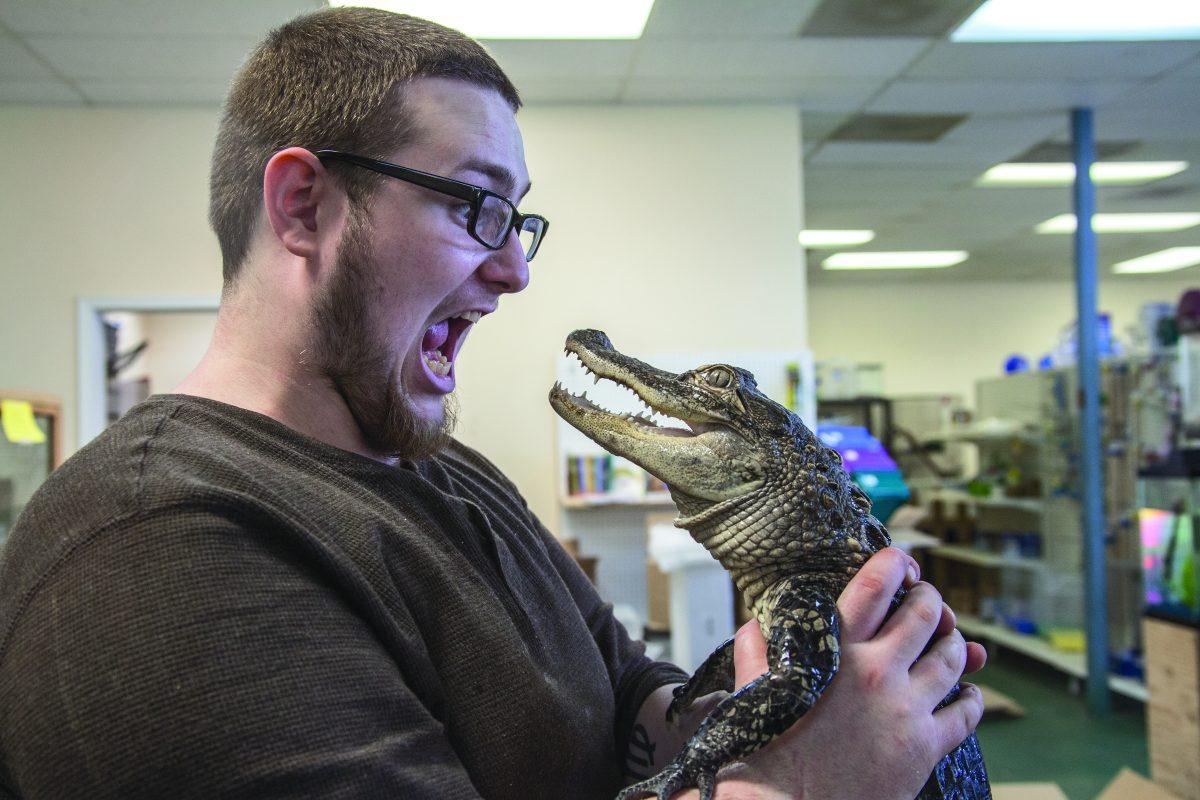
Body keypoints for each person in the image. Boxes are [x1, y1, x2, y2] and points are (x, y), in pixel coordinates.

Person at [0, 8, 985, 800]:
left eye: (521, 219)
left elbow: (625, 691)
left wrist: (846, 677)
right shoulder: (156, 546)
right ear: (303, 205)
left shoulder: (439, 462)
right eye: (476, 206)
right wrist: (809, 782)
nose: (514, 270)